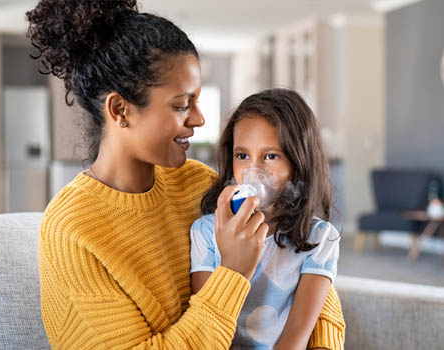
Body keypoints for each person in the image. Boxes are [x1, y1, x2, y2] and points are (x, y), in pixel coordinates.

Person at [26, 0, 344, 348]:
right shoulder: (72, 228)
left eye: (197, 101)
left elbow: (299, 264)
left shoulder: (196, 184)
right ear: (120, 110)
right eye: (181, 105)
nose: (199, 120)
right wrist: (233, 273)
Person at [191, 88, 345, 349]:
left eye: (271, 156)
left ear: (299, 162)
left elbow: (297, 335)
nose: (253, 170)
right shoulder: (207, 231)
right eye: (242, 156)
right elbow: (206, 327)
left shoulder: (320, 239)